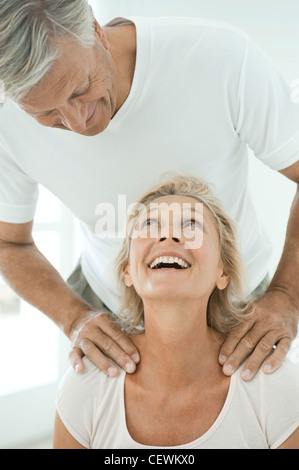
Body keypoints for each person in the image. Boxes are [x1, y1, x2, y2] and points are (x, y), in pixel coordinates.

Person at [0, 0, 298, 382]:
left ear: (95, 30)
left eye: (80, 88)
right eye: (46, 115)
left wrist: (287, 296)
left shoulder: (219, 58)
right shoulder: (7, 119)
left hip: (236, 308)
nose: (78, 124)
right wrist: (73, 317)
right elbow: (10, 244)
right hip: (109, 312)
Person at [53, 174, 299, 449]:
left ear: (223, 272)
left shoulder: (272, 383)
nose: (168, 235)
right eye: (149, 225)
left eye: (192, 226)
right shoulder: (86, 384)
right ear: (127, 272)